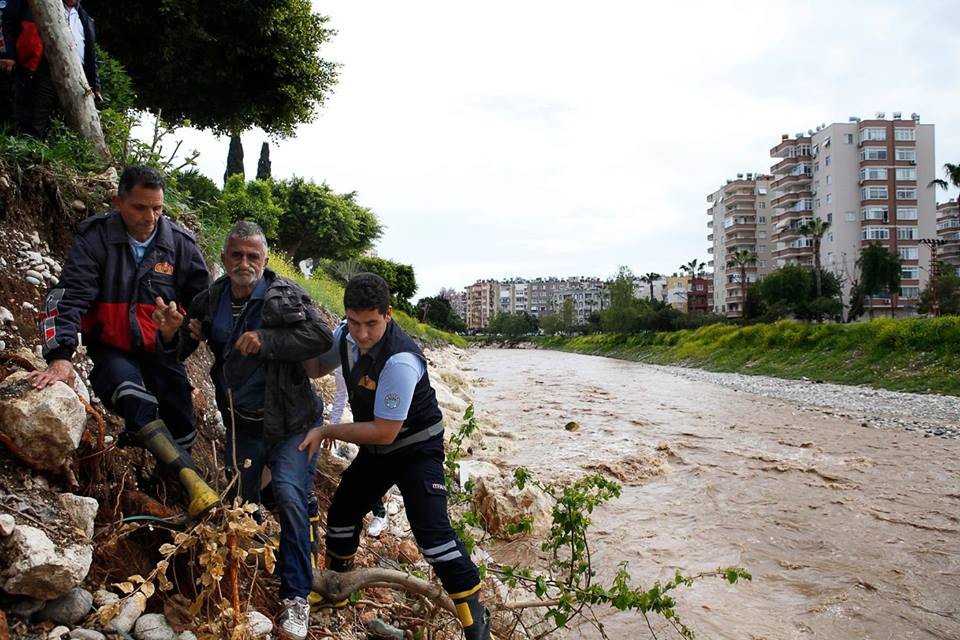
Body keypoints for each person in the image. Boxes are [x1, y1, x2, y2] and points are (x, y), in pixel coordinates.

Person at [158, 221, 333, 640]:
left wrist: (266, 339)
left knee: (289, 496)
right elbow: (185, 346)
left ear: (265, 259)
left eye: (253, 256)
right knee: (243, 508)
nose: (244, 263)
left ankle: (295, 598)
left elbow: (321, 336)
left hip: (293, 424)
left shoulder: (285, 294)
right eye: (236, 255)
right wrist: (170, 334)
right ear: (223, 259)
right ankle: (244, 587)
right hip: (243, 426)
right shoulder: (212, 299)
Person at [299, 273, 491, 640]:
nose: (363, 333)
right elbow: (313, 367)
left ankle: (476, 622)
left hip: (416, 449)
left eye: (371, 323)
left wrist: (326, 430)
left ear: (387, 314)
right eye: (354, 322)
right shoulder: (345, 336)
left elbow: (384, 429)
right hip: (378, 451)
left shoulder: (401, 359)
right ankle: (337, 592)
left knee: (433, 536)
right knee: (341, 516)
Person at [29, 165, 218, 519]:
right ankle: (189, 481)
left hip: (162, 353)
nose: (151, 217)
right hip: (112, 348)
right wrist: (60, 356)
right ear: (118, 202)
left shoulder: (180, 245)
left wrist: (174, 334)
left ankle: (167, 489)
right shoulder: (96, 238)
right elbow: (68, 297)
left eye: (158, 209)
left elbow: (202, 310)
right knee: (130, 396)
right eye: (140, 208)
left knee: (181, 417)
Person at [0, 0, 101, 138]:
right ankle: (27, 153)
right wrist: (7, 53)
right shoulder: (36, 5)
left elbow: (91, 55)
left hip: (76, 77)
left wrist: (95, 86)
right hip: (40, 67)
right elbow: (6, 20)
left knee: (63, 126)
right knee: (33, 118)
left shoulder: (85, 18)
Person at [328, 365, 388, 538]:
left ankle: (379, 514)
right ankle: (378, 513)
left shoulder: (383, 357)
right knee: (365, 471)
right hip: (364, 423)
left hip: (389, 421)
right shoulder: (343, 358)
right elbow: (341, 395)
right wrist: (332, 427)